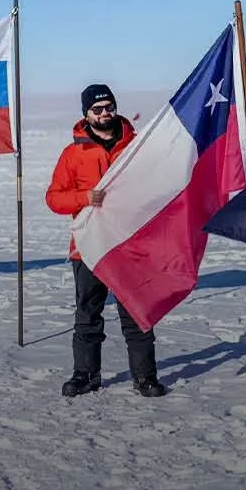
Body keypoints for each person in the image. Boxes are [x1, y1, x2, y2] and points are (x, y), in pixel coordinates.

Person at [45, 84, 168, 398]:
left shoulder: (137, 148)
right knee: (88, 314)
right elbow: (54, 199)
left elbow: (158, 185)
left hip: (130, 245)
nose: (105, 114)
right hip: (89, 246)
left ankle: (145, 377)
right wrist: (84, 197)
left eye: (109, 107)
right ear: (86, 114)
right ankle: (85, 375)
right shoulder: (73, 153)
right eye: (97, 109)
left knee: (136, 312)